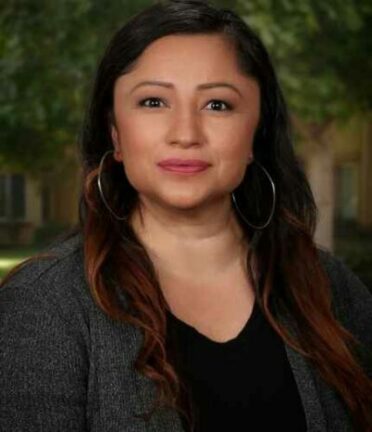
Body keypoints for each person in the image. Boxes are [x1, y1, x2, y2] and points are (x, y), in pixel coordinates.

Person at [1, 0, 371, 431]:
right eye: (153, 101)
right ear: (115, 133)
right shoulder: (44, 305)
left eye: (217, 105)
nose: (185, 134)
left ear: (257, 132)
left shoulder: (328, 286)